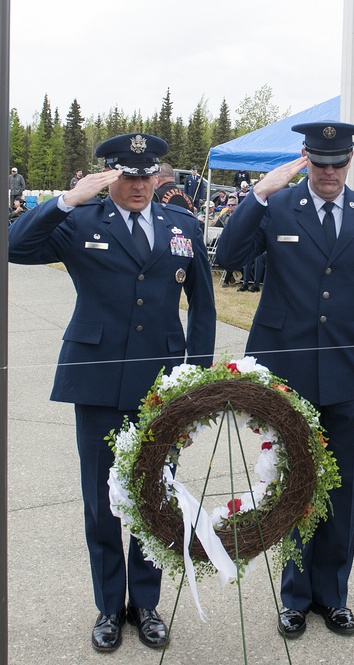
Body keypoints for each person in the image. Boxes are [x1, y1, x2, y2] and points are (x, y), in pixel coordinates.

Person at [8, 133, 216, 652]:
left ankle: (146, 604)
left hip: (163, 385)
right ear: (110, 177)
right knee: (102, 502)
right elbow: (15, 246)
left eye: (148, 175)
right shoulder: (80, 221)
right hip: (98, 378)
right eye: (129, 175)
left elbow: (205, 307)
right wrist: (66, 200)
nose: (141, 184)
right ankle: (108, 606)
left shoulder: (182, 226)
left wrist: (197, 381)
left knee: (154, 499)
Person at [215, 121, 354, 639]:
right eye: (319, 164)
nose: (328, 173)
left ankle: (332, 596)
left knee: (342, 490)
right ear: (305, 159)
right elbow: (226, 257)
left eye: (337, 163)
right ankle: (295, 598)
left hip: (349, 371)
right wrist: (256, 194)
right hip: (289, 370)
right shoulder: (277, 207)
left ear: (349, 162)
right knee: (296, 486)